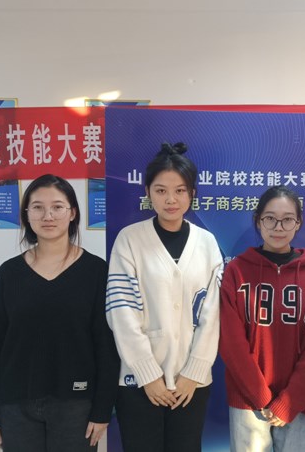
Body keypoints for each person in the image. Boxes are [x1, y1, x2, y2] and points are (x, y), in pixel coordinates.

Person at [0, 174, 120, 451]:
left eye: (57, 207)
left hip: (77, 404)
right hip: (16, 403)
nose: (48, 216)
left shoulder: (96, 271)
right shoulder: (9, 273)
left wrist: (103, 409)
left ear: (73, 213)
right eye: (38, 207)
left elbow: (106, 346)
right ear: (26, 214)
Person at [106, 143, 224, 452]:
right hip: (139, 383)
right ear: (148, 192)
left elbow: (214, 314)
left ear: (192, 193)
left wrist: (193, 373)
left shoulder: (207, 243)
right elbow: (122, 312)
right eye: (161, 191)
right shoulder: (130, 240)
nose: (171, 200)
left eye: (180, 191)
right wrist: (148, 375)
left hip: (191, 385)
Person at [219, 185, 305, 452]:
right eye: (270, 218)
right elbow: (231, 341)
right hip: (249, 400)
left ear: (298, 223)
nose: (278, 227)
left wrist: (291, 400)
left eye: (287, 219)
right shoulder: (237, 271)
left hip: (300, 402)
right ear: (258, 221)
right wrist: (260, 395)